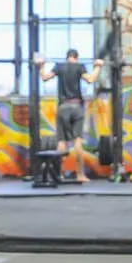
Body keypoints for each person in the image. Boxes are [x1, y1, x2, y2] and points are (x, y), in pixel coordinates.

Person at [39, 47, 101, 184]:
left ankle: (58, 175)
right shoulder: (79, 66)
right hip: (76, 106)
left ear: (67, 57)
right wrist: (97, 67)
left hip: (63, 107)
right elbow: (90, 80)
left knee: (61, 143)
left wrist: (41, 66)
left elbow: (44, 77)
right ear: (76, 57)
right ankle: (79, 175)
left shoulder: (59, 66)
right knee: (77, 141)